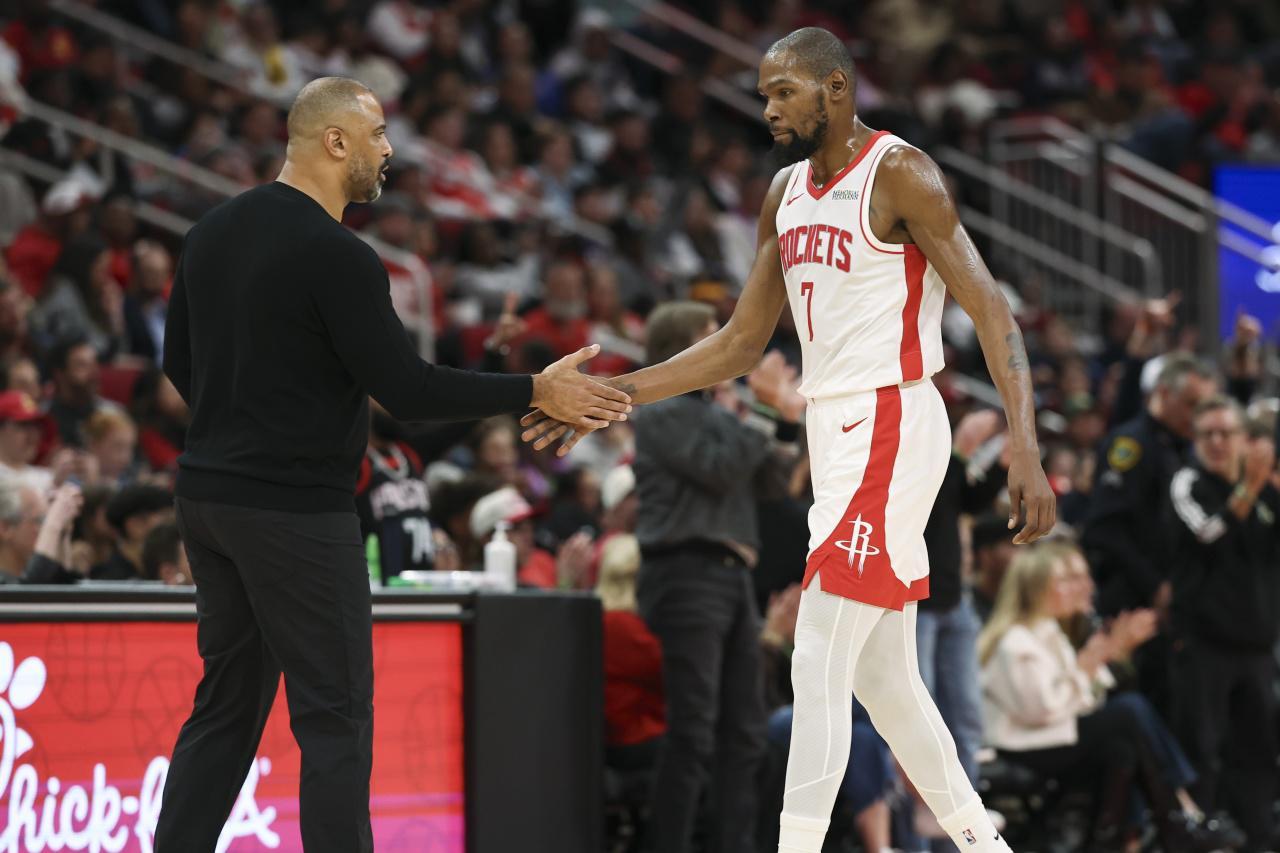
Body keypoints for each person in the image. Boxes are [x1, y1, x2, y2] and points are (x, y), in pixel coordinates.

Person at [522, 27, 1055, 853]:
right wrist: (615, 393)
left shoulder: (900, 172)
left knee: (815, 653)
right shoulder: (784, 192)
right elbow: (740, 342)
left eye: (783, 92)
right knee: (882, 678)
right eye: (764, 94)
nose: (768, 109)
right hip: (832, 428)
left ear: (834, 88)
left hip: (890, 417)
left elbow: (989, 307)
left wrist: (1026, 442)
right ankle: (987, 844)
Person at [152, 76, 630, 853]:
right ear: (334, 140)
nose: (389, 150)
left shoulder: (209, 232)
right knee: (334, 717)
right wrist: (534, 388)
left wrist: (250, 418)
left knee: (226, 708)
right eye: (376, 134)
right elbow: (408, 390)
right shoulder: (338, 254)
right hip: (295, 509)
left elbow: (179, 361)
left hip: (208, 497)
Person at [978, 542, 1228, 852]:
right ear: (1036, 586)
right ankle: (1180, 816)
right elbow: (1042, 711)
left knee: (1122, 748)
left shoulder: (1051, 634)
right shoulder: (1015, 641)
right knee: (1129, 712)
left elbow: (1088, 703)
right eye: (1068, 579)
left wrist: (1101, 659)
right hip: (1024, 746)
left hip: (1051, 737)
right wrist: (1091, 663)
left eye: (1082, 577)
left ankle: (1115, 841)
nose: (1083, 586)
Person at [1167, 397, 1279, 851]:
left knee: (1258, 752)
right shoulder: (1189, 483)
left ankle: (1259, 839)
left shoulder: (1265, 492)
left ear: (1245, 440)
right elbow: (1206, 533)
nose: (1216, 442)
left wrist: (1263, 488)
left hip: (1257, 645)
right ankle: (1199, 840)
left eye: (1226, 433)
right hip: (1204, 644)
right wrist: (1248, 489)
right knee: (1202, 751)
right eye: (1207, 434)